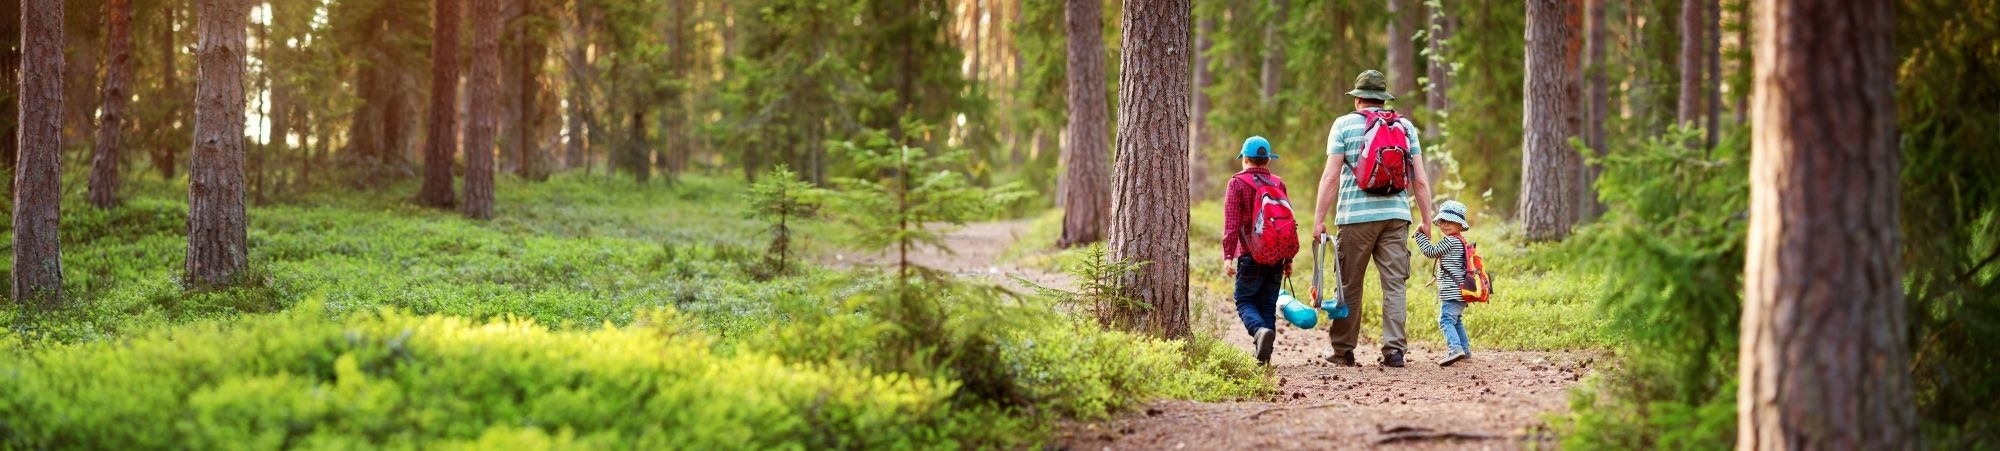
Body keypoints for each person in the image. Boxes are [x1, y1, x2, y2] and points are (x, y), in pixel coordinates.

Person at [1312, 69, 1435, 368]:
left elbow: (1331, 177)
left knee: (1349, 285)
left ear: (1358, 100)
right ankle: (1394, 351)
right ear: (1382, 99)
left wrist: (1318, 220)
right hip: (1396, 216)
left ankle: (1343, 351)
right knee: (1394, 285)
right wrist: (1426, 220)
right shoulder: (1405, 126)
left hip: (1355, 218)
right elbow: (1419, 180)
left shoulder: (1342, 125)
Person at [1223, 136, 1293, 365]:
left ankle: (1258, 331)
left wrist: (1228, 257)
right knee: (1266, 304)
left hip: (1249, 255)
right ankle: (1265, 358)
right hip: (1276, 256)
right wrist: (1288, 258)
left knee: (1244, 300)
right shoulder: (1278, 183)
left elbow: (1232, 223)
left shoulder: (1237, 183)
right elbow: (1287, 224)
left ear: (1244, 158)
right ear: (1268, 161)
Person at [1414, 200, 1474, 366]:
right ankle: (1465, 350)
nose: (1445, 225)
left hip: (1452, 291)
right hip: (1461, 291)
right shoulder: (1461, 241)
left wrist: (1419, 235)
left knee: (1445, 320)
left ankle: (1455, 349)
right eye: (1443, 221)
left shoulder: (1450, 241)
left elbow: (1430, 252)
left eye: (1451, 221)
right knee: (1456, 320)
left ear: (1460, 224)